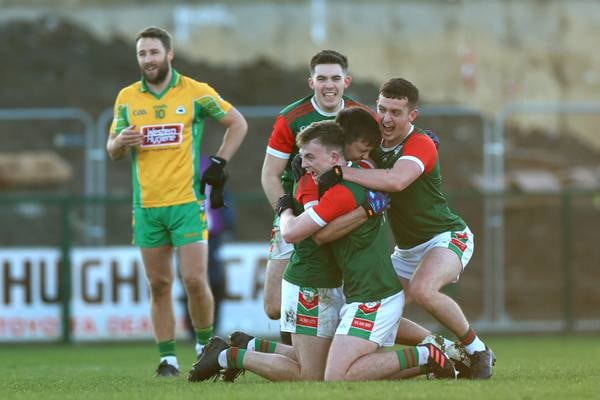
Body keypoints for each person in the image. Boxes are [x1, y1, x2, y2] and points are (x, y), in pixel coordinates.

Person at [189, 119, 456, 382]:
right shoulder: (316, 183)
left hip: (338, 285)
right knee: (313, 374)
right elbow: (305, 234)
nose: (304, 163)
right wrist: (287, 208)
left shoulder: (355, 172)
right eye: (302, 157)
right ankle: (228, 357)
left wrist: (413, 141)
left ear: (336, 156)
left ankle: (249, 346)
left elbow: (367, 141)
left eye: (309, 157)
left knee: (327, 367)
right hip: (311, 282)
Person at [317, 78, 495, 379]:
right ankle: (440, 349)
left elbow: (396, 180)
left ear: (412, 115)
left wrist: (339, 172)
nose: (386, 118)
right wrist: (307, 161)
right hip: (407, 250)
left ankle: (477, 350)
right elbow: (339, 134)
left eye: (396, 112)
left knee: (423, 290)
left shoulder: (420, 143)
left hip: (447, 237)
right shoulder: (372, 138)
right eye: (382, 109)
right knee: (381, 310)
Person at [106, 26, 247, 377]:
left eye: (153, 52)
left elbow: (237, 123)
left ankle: (204, 347)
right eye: (142, 54)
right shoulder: (127, 97)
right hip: (147, 207)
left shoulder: (194, 92)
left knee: (196, 281)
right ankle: (167, 358)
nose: (148, 60)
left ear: (169, 55)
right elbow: (112, 152)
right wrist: (121, 140)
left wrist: (219, 162)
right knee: (158, 285)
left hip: (187, 204)